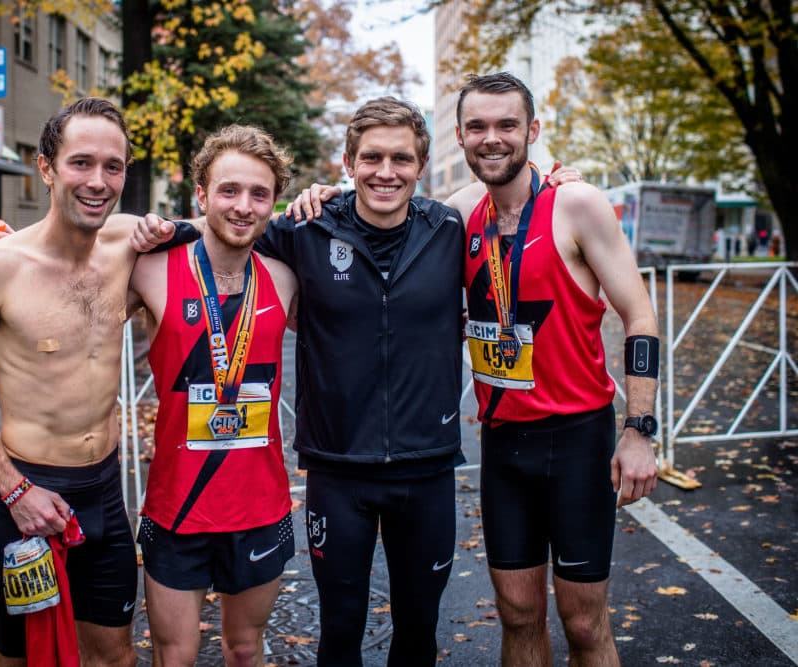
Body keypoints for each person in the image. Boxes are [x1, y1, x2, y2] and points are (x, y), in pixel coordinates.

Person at [133, 97, 504, 666]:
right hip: (337, 470)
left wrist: (558, 177)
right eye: (372, 157)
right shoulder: (305, 230)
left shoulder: (447, 227)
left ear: (422, 164)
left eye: (401, 158)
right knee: (340, 633)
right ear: (348, 162)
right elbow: (230, 223)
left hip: (428, 467)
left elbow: (510, 190)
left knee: (418, 631)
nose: (387, 171)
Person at [0, 97, 181, 667]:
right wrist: (14, 489)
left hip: (104, 488)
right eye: (80, 163)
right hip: (29, 489)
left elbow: (231, 226)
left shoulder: (130, 241)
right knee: (21, 656)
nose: (98, 181)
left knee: (114, 654)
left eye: (113, 166)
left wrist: (315, 206)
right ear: (45, 168)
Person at [448, 72, 659, 666]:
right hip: (504, 446)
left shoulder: (577, 203)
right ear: (461, 138)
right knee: (517, 617)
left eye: (507, 125)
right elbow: (374, 207)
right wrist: (319, 194)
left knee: (586, 624)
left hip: (577, 442)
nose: (493, 138)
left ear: (532, 131)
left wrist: (639, 431)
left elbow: (639, 315)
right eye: (479, 127)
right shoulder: (457, 213)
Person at [124, 124, 299, 666]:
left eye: (259, 194)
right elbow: (70, 268)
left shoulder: (285, 277)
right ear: (201, 195)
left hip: (260, 505)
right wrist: (5, 245)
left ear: (274, 202)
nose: (243, 206)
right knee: (175, 654)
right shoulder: (151, 268)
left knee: (246, 649)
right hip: (178, 508)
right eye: (228, 190)